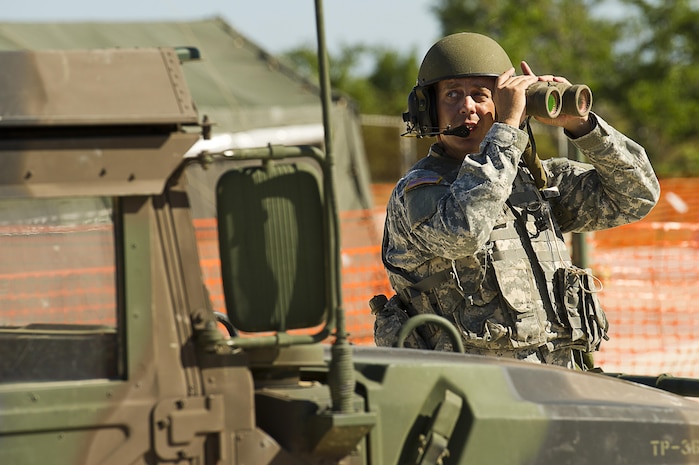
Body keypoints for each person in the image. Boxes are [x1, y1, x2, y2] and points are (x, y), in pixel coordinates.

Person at [372, 32, 660, 369]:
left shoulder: (535, 181)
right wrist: (508, 127)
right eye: (453, 95)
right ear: (428, 107)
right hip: (477, 393)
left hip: (562, 379)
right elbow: (464, 231)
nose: (468, 106)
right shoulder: (419, 190)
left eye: (481, 95)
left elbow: (637, 195)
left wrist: (582, 127)